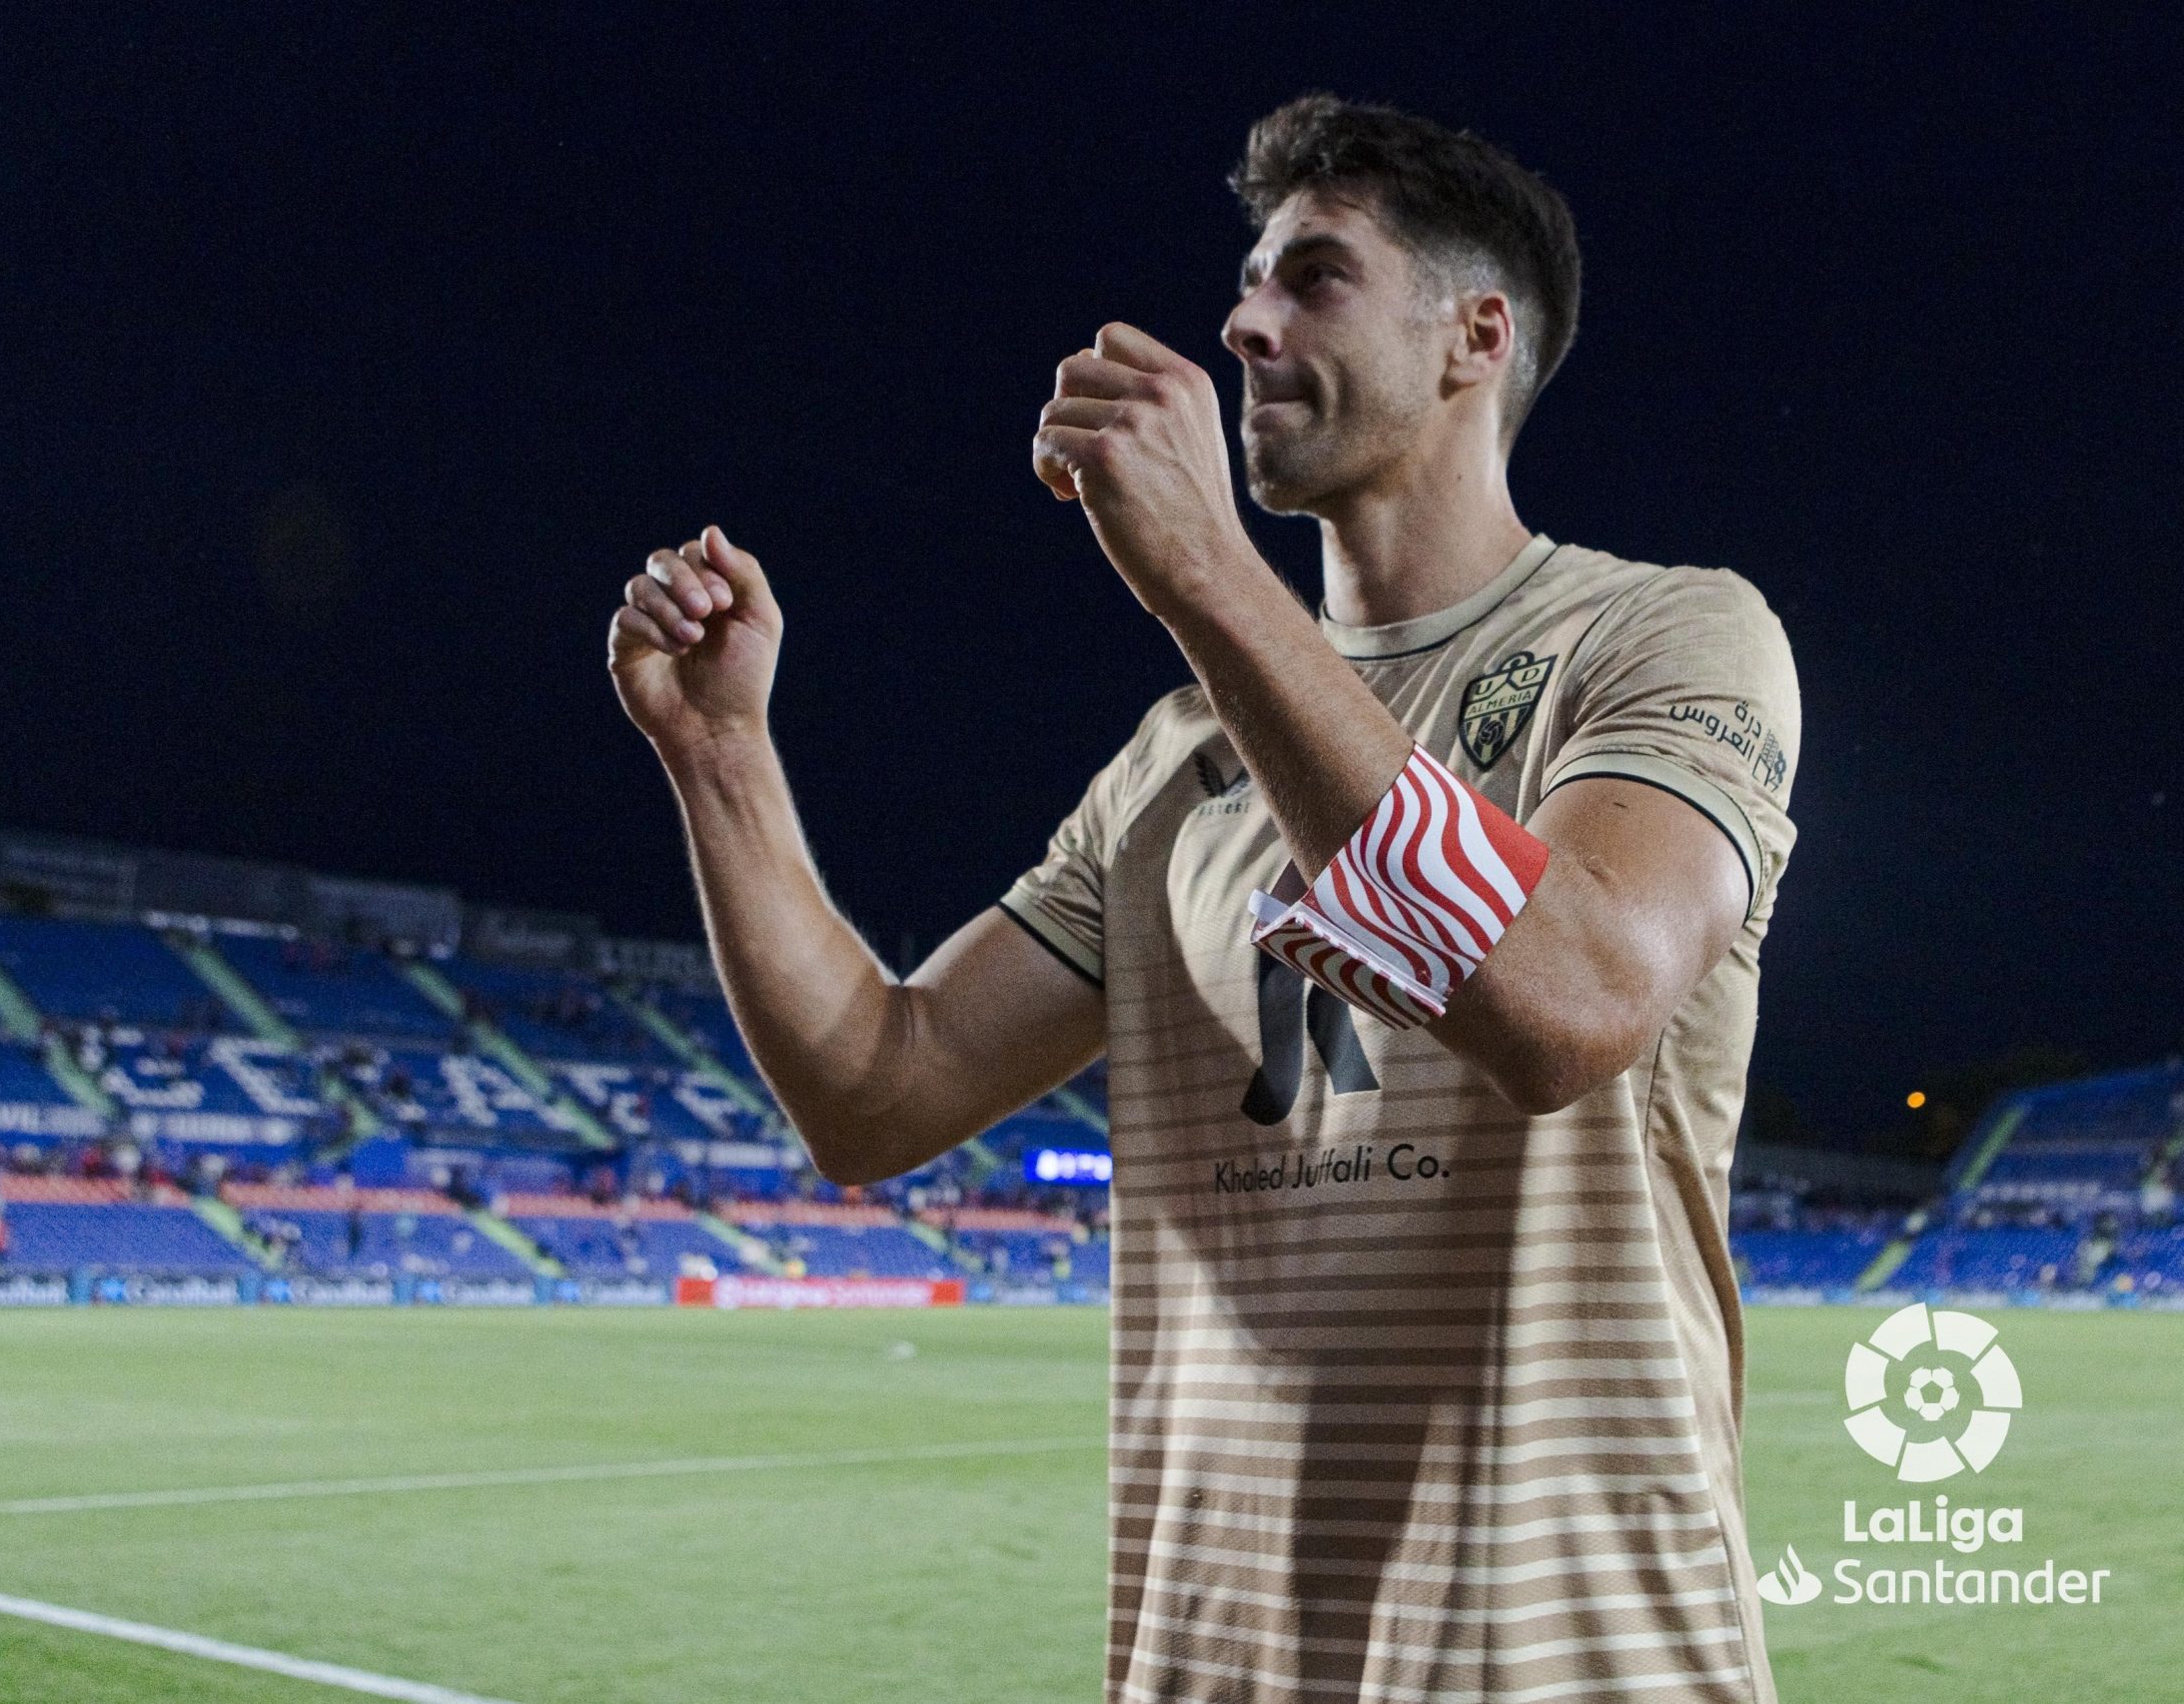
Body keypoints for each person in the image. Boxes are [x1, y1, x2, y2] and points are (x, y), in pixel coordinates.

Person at [609, 94, 1797, 1703]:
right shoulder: (1171, 760)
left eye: (1314, 277)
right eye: (1248, 281)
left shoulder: (1662, 638)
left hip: (1567, 1663)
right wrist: (724, 758)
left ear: (1474, 336)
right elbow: (874, 1093)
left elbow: (1571, 1002)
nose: (1242, 320)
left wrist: (1202, 573)